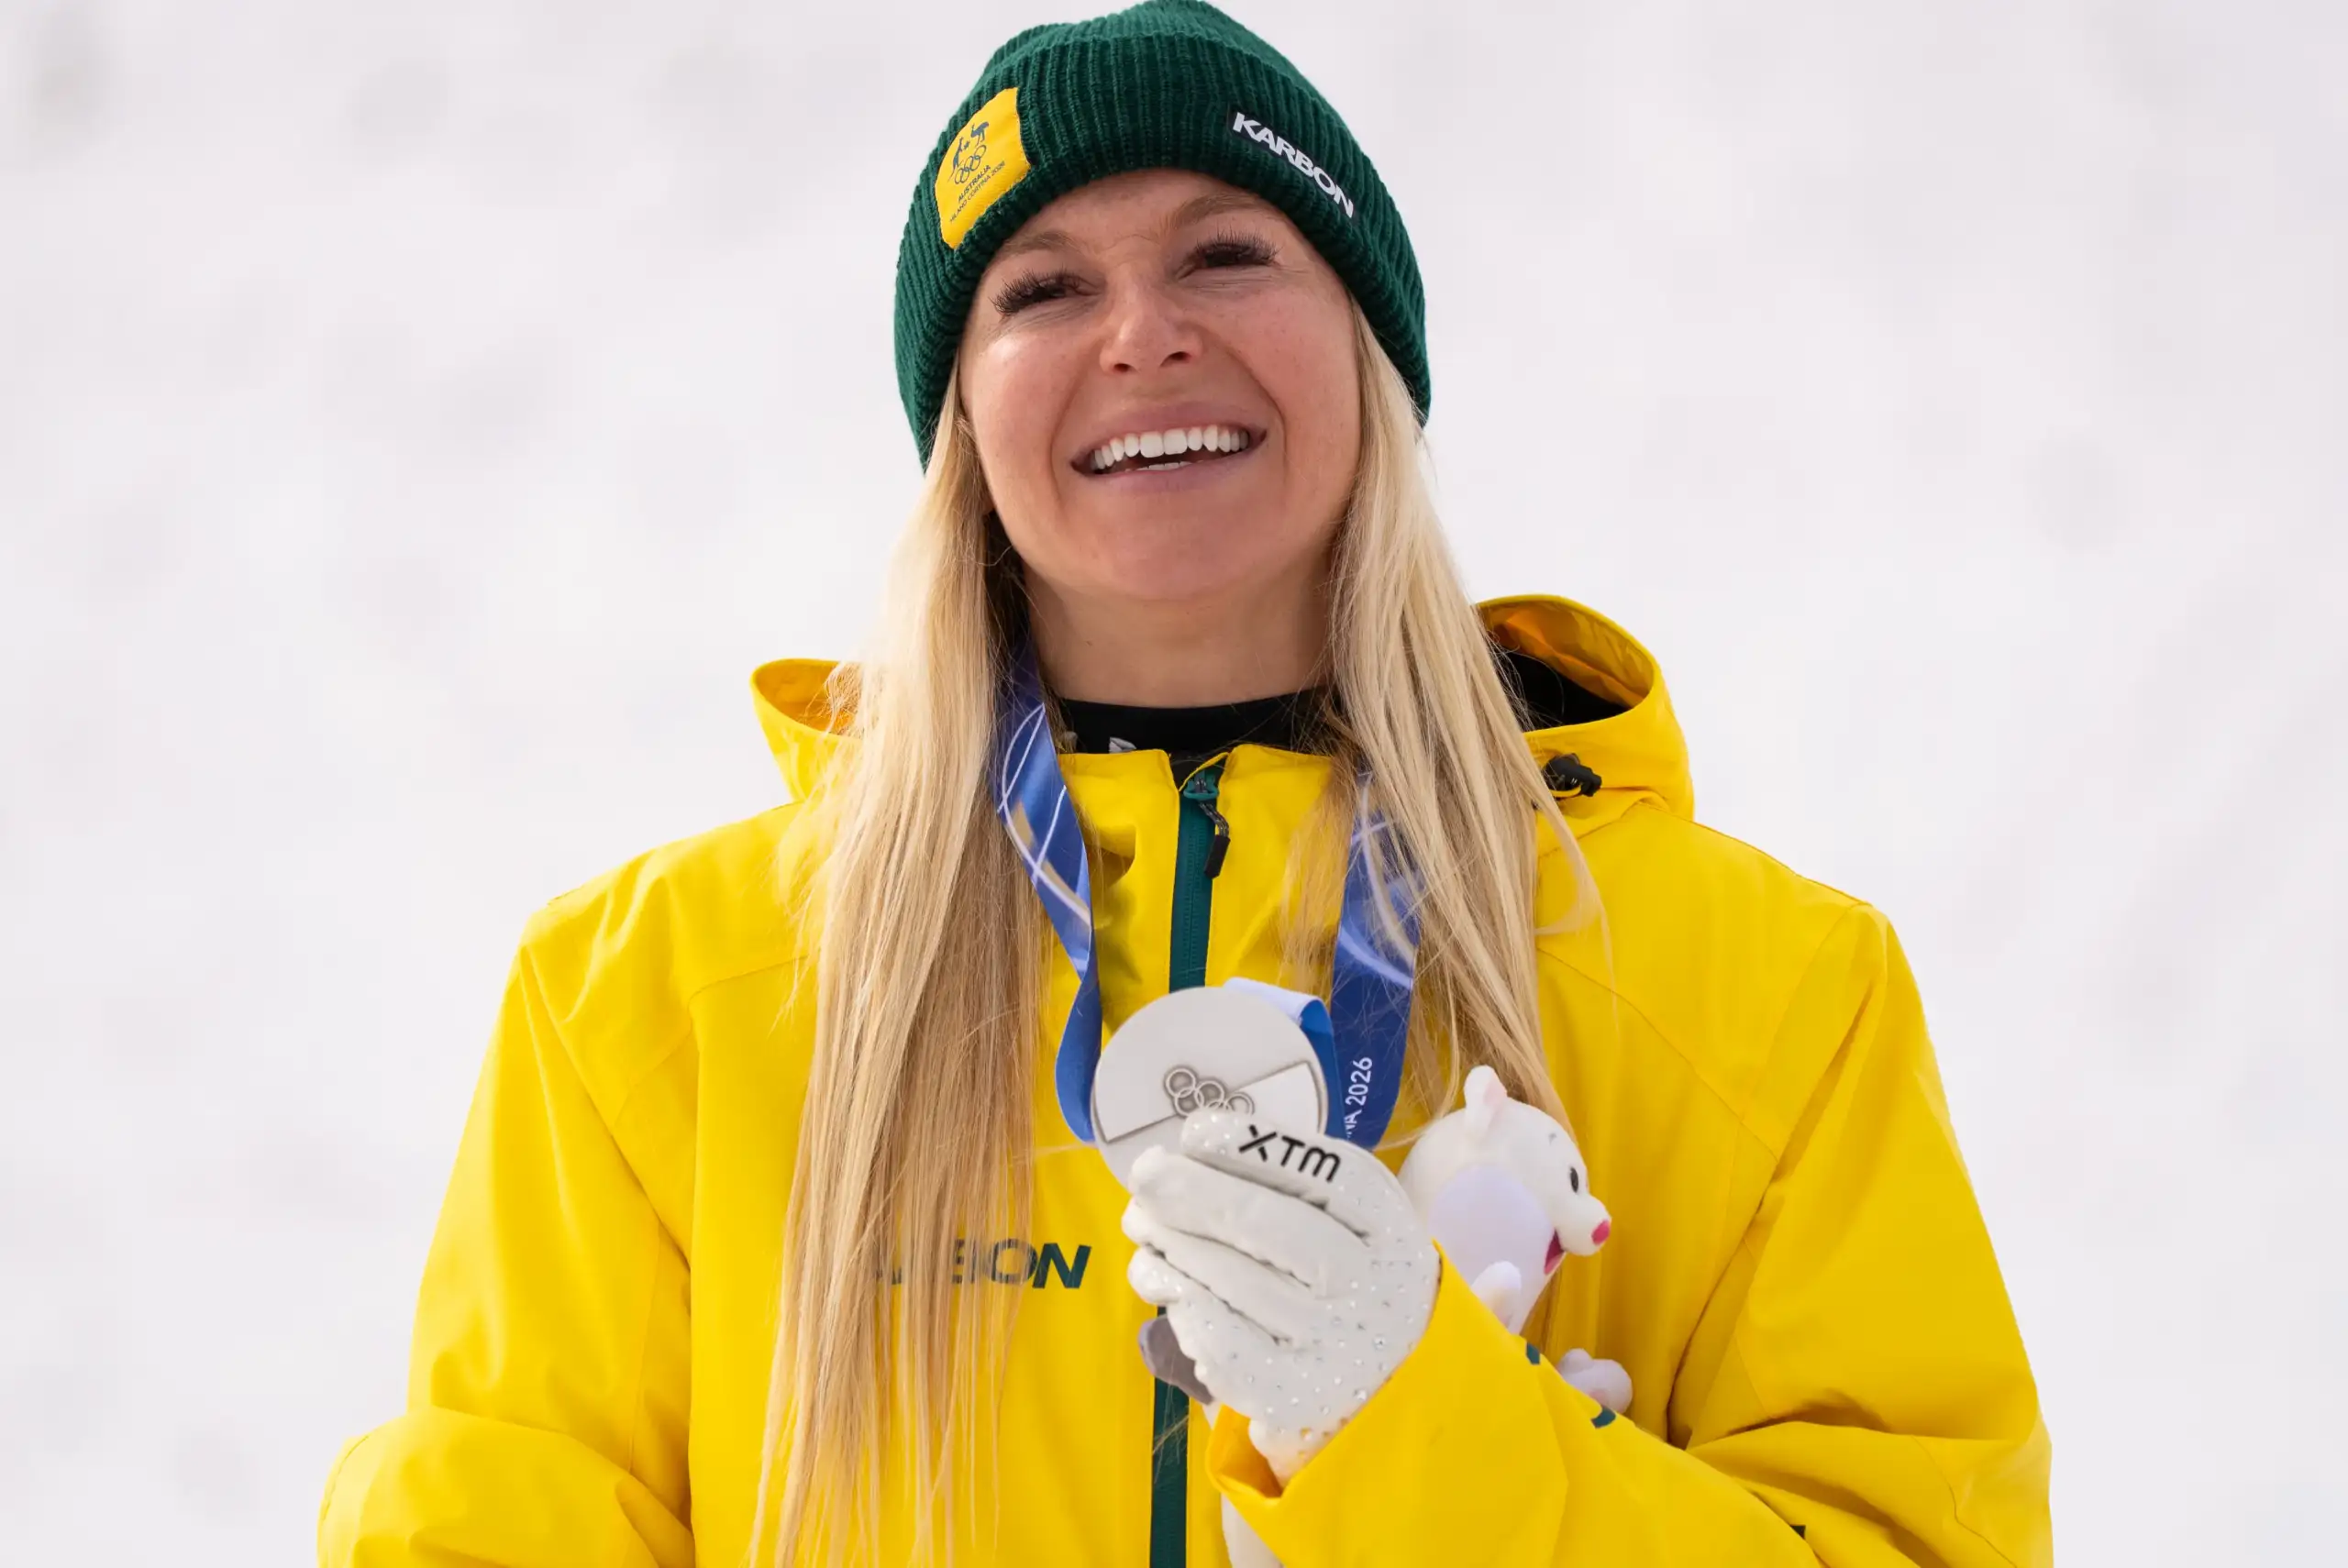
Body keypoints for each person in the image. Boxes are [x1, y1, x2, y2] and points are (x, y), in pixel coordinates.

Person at [318, 2, 2052, 1563]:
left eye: (1228, 254)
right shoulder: (650, 1004)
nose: (1141, 334)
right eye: (1043, 287)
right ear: (965, 427)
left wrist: (1420, 1426)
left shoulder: (1767, 992)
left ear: (1366, 359)